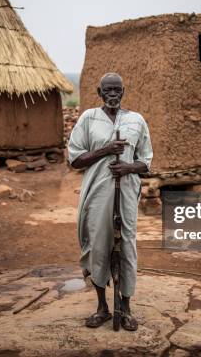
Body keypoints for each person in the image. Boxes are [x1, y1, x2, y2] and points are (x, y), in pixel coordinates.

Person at [68, 72, 153, 331]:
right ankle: (102, 308)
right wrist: (106, 150)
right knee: (98, 245)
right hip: (96, 195)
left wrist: (127, 167)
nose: (113, 94)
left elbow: (146, 162)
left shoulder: (137, 120)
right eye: (108, 90)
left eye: (117, 89)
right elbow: (75, 159)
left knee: (126, 246)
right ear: (99, 92)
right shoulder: (88, 118)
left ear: (123, 91)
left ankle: (125, 309)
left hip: (126, 194)